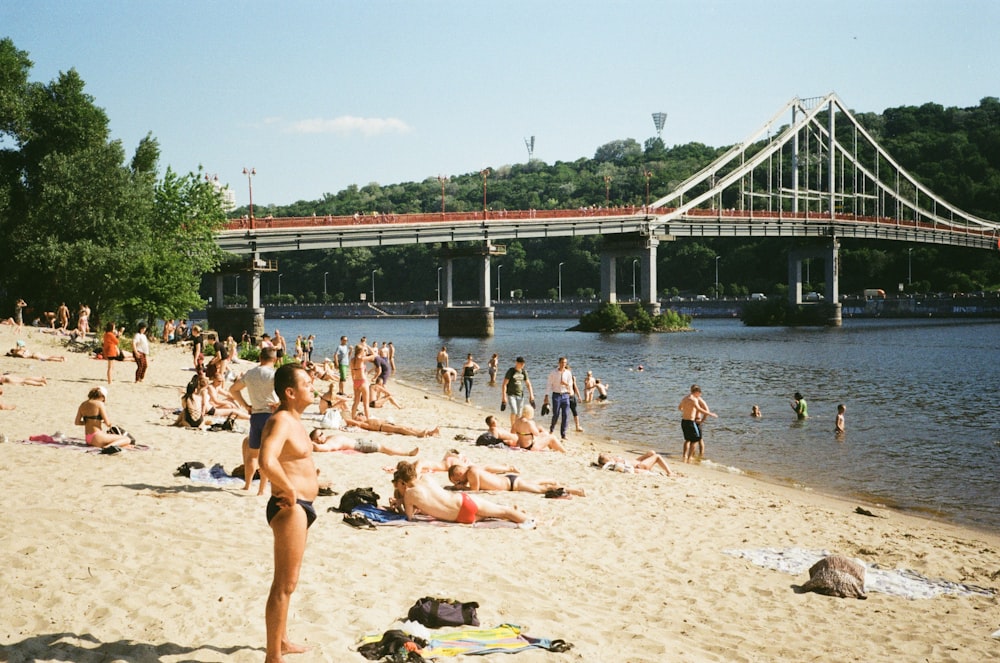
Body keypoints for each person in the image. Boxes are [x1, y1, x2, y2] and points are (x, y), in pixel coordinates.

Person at [258, 363, 318, 663]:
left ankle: (281, 641)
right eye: (307, 383)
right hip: (291, 509)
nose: (313, 386)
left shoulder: (294, 418)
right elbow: (265, 461)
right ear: (290, 392)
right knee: (285, 584)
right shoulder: (281, 420)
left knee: (287, 582)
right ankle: (273, 656)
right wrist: (290, 489)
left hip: (301, 507)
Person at [391, 461, 535, 528]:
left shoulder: (409, 495)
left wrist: (399, 506)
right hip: (462, 501)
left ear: (403, 481)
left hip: (462, 518)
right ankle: (527, 521)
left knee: (496, 515)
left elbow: (409, 517)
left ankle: (528, 520)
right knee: (503, 511)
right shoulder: (427, 478)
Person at [230, 346, 278, 493]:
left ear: (260, 358)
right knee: (266, 455)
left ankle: (247, 485)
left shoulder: (250, 374)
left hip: (255, 415)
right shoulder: (274, 374)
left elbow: (233, 389)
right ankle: (261, 490)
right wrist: (279, 404)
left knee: (252, 455)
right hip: (269, 415)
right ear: (274, 360)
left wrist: (245, 405)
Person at [448, 463, 586, 496]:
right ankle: (550, 479)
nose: (458, 482)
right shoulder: (473, 468)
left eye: (456, 479)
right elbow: (490, 469)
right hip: (510, 480)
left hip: (511, 484)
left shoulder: (471, 473)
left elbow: (475, 490)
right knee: (532, 483)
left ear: (459, 473)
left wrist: (461, 488)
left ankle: (575, 490)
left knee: (541, 490)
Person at [679, 384, 717, 463]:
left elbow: (680, 408)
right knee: (695, 440)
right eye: (699, 392)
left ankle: (684, 456)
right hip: (691, 422)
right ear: (697, 392)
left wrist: (687, 410)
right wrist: (711, 414)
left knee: (687, 440)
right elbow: (699, 408)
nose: (700, 394)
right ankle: (690, 457)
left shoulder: (685, 398)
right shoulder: (694, 399)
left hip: (684, 421)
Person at [310, 429, 418, 456]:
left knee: (383, 447)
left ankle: (399, 451)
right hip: (359, 446)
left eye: (322, 433)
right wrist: (311, 443)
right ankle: (407, 453)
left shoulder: (327, 440)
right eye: (320, 435)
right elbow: (320, 448)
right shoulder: (329, 444)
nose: (323, 435)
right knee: (382, 448)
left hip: (358, 441)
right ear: (316, 440)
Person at [541, 357, 573, 441]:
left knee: (565, 415)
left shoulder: (568, 373)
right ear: (559, 363)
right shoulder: (553, 373)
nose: (563, 364)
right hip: (556, 395)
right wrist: (546, 396)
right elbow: (549, 384)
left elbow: (570, 384)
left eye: (565, 363)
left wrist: (565, 384)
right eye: (562, 362)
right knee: (556, 414)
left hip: (565, 395)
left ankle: (563, 434)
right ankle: (551, 429)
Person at [500, 356, 535, 428]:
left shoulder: (524, 372)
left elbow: (528, 384)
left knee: (519, 413)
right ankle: (513, 426)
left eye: (523, 364)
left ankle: (517, 426)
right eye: (521, 363)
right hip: (511, 394)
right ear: (516, 363)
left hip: (520, 395)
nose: (522, 365)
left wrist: (531, 395)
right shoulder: (511, 371)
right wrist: (504, 397)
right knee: (514, 411)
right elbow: (504, 384)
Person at [343, 412, 440, 438]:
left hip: (386, 423)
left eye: (360, 415)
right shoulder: (364, 424)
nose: (361, 416)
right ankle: (418, 434)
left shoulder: (368, 419)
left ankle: (430, 432)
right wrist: (348, 420)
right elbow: (354, 422)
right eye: (359, 416)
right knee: (401, 429)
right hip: (382, 427)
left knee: (407, 427)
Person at [596, 451, 676, 477]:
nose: (610, 457)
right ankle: (670, 473)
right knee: (657, 456)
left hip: (637, 462)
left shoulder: (612, 460)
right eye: (608, 457)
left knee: (651, 452)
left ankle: (651, 465)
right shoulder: (612, 463)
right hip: (639, 466)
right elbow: (606, 465)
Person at [350, 343, 376, 419]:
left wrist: (354, 382)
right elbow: (374, 355)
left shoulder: (352, 360)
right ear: (360, 351)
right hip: (363, 381)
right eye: (363, 350)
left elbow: (352, 373)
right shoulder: (361, 359)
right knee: (366, 404)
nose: (364, 352)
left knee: (356, 402)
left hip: (355, 382)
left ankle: (352, 418)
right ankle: (367, 419)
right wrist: (367, 346)